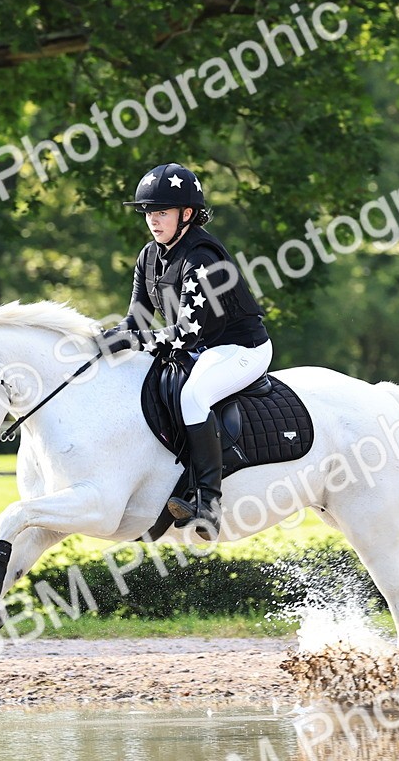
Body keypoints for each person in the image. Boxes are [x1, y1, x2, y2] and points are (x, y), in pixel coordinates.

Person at [101, 163, 272, 540]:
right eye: (148, 211)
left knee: (193, 396)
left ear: (188, 214)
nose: (153, 220)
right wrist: (99, 341)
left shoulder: (202, 258)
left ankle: (208, 501)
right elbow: (137, 319)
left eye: (162, 212)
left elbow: (186, 334)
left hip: (240, 348)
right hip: (200, 349)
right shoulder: (149, 256)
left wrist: (131, 341)